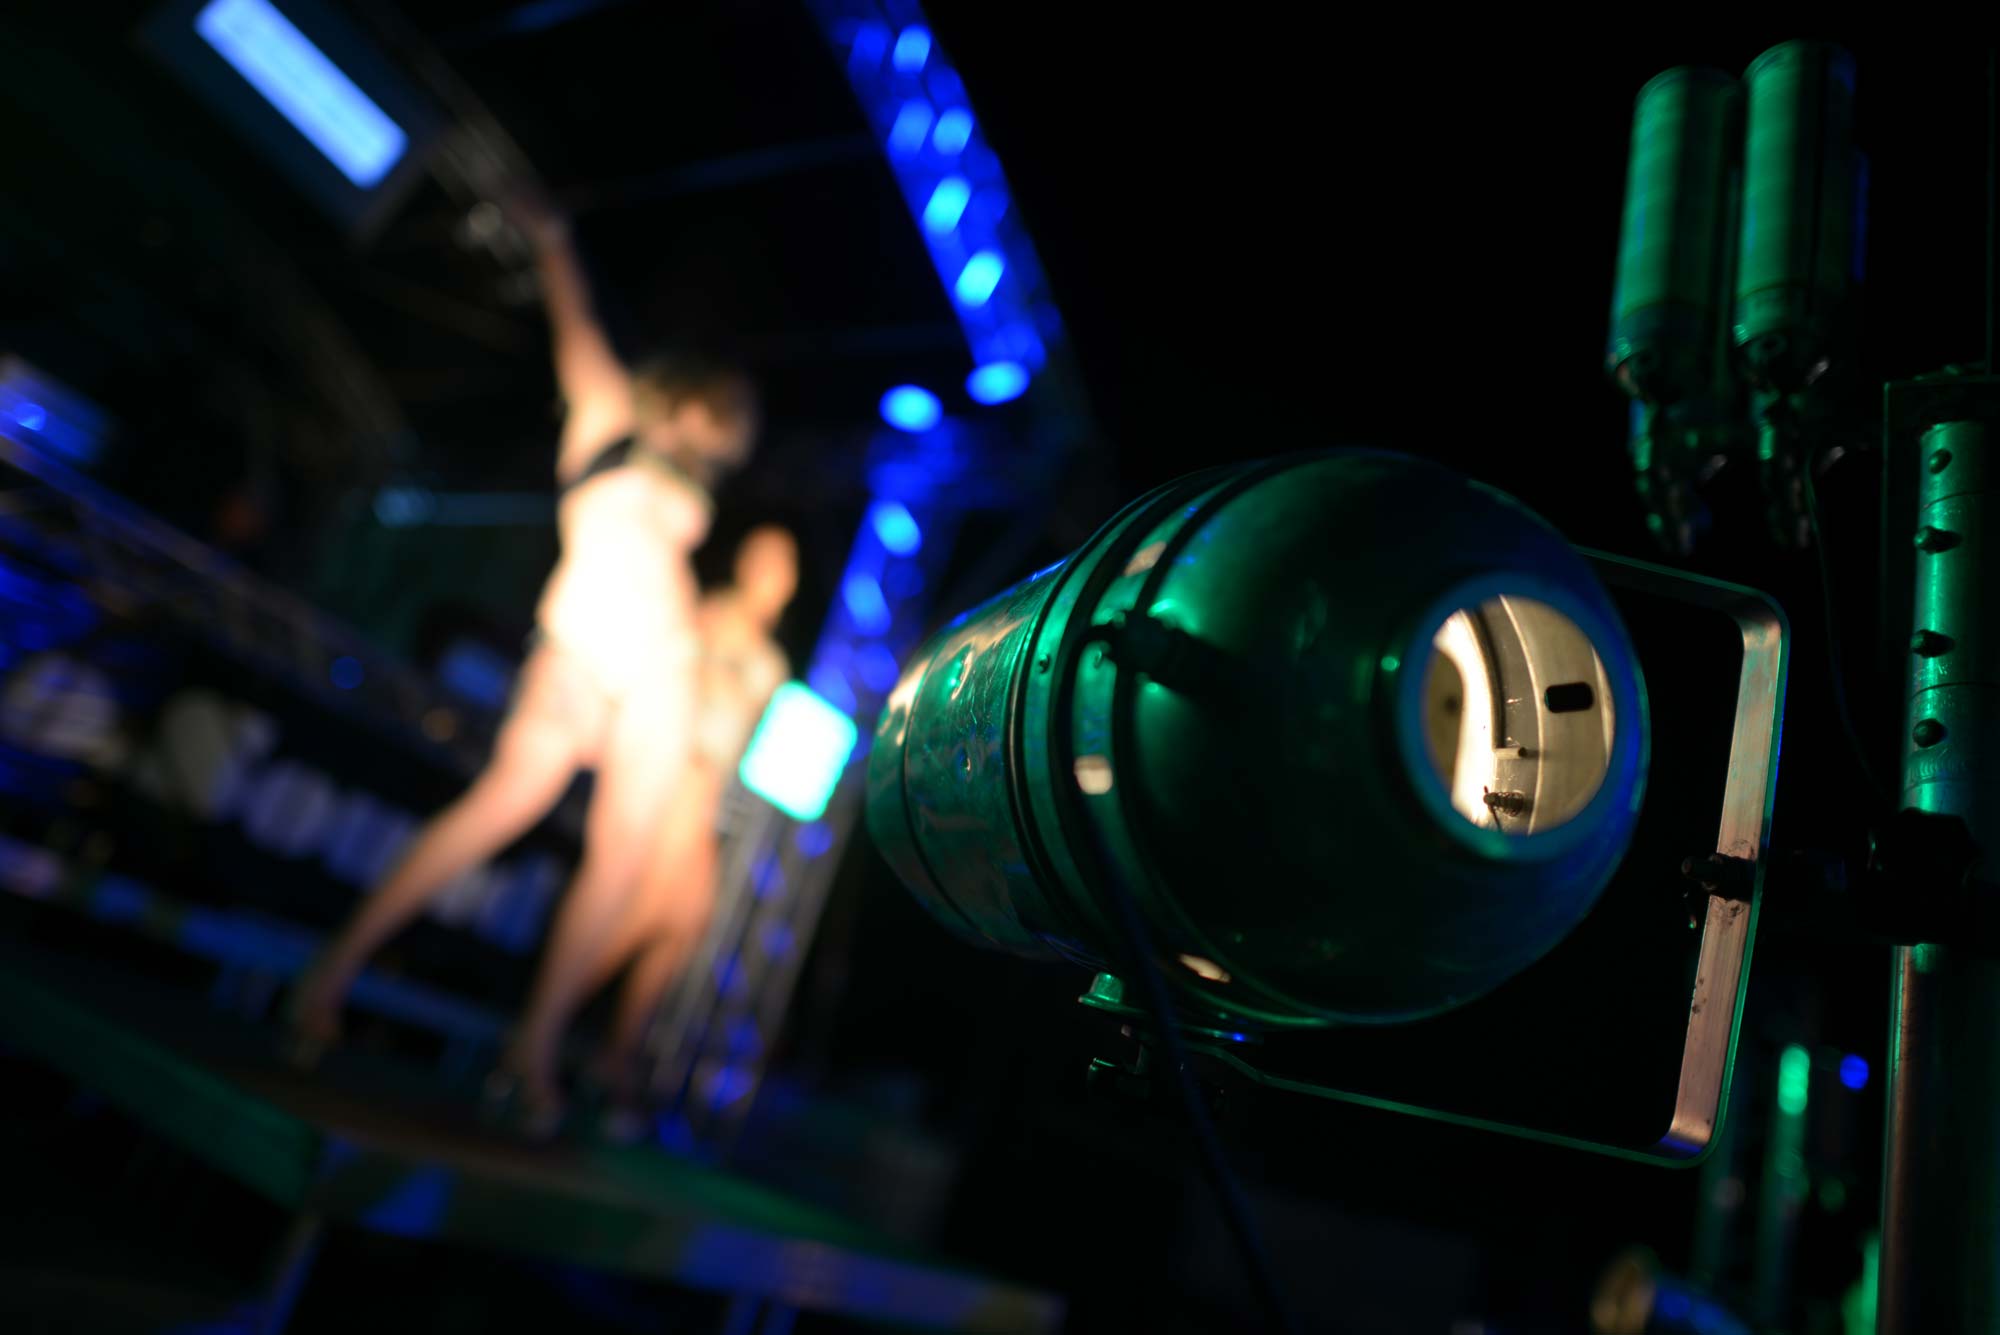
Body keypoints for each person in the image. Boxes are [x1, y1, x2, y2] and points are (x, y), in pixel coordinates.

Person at [285, 189, 758, 1134]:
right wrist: (552, 240)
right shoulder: (609, 418)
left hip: (661, 671)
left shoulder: (689, 485)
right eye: (714, 415)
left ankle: (532, 1049)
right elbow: (574, 324)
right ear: (680, 397)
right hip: (577, 650)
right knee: (501, 805)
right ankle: (330, 972)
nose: (720, 438)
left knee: (623, 859)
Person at [580, 525, 796, 1136]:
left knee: (682, 923)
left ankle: (608, 1056)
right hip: (675, 768)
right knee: (654, 914)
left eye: (787, 569)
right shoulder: (713, 614)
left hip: (710, 790)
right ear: (747, 563)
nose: (778, 578)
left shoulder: (774, 660)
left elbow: (751, 741)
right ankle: (556, 1026)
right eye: (770, 562)